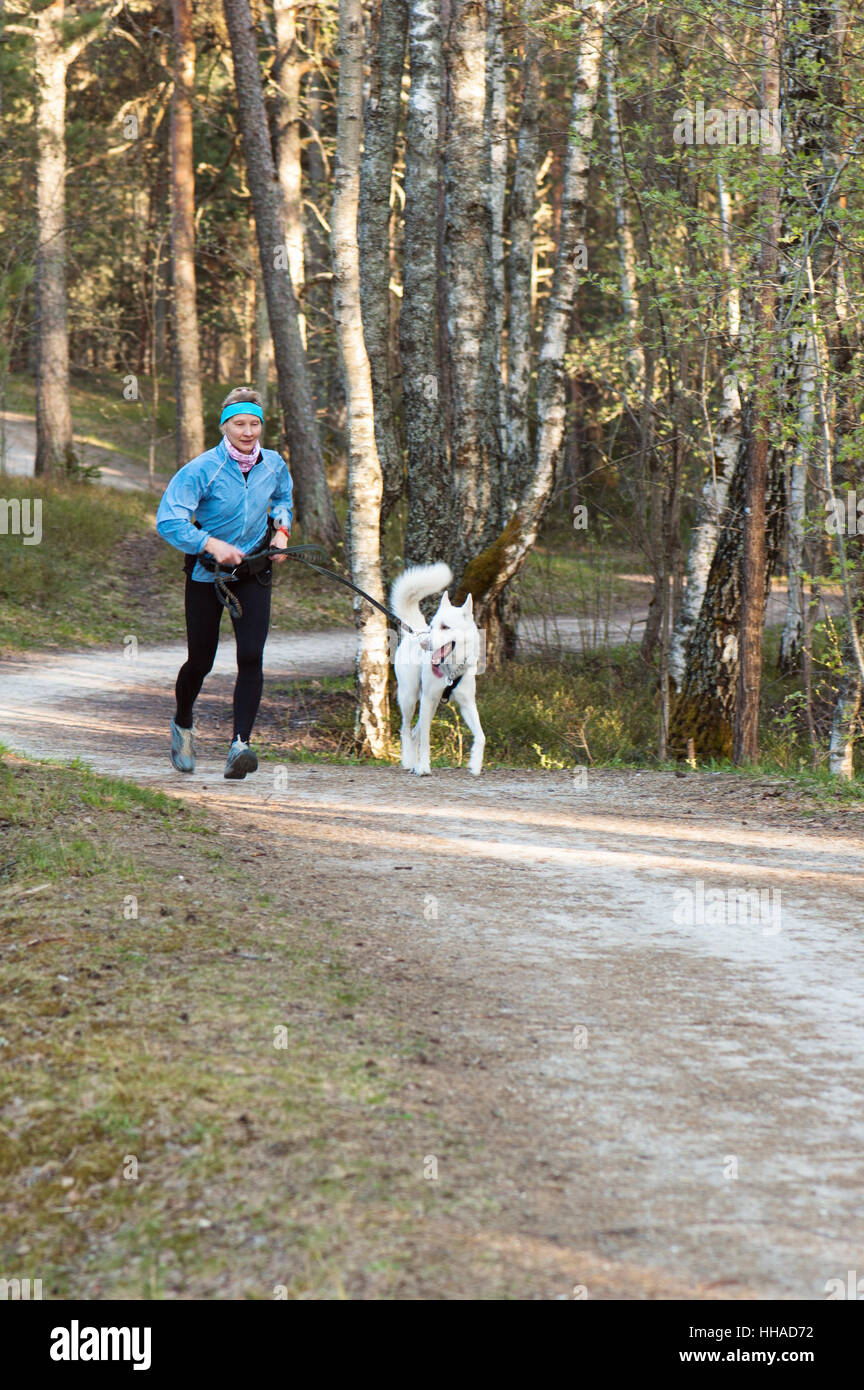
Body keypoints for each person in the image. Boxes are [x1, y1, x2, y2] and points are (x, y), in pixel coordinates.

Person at [155, 387, 292, 779]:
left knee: (251, 656)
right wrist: (210, 543)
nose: (247, 432)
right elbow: (169, 520)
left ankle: (240, 746)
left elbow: (283, 496)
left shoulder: (274, 463)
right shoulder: (202, 469)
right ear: (224, 426)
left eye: (254, 424)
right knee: (201, 659)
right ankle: (182, 725)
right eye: (239, 424)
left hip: (253, 571)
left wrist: (281, 529)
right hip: (207, 576)